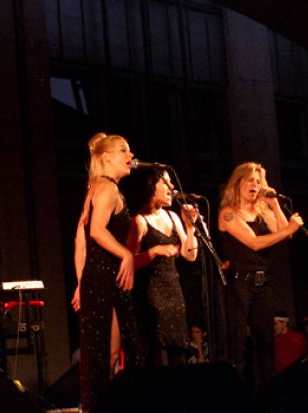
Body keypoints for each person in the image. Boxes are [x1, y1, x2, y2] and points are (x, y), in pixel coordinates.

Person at [71, 132, 144, 413]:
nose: (130, 156)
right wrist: (125, 254)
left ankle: (106, 404)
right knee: (103, 353)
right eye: (124, 150)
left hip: (102, 279)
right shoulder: (107, 188)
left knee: (109, 351)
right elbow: (95, 232)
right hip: (103, 278)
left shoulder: (97, 188)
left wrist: (82, 282)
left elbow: (81, 241)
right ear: (106, 158)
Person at [218, 162, 303, 390]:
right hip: (239, 284)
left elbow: (284, 234)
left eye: (258, 181)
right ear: (238, 183)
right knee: (237, 345)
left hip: (262, 283)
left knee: (266, 345)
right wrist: (290, 228)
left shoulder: (262, 212)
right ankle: (235, 394)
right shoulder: (228, 213)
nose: (255, 185)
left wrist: (274, 205)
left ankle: (267, 395)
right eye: (250, 180)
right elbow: (255, 243)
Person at [127, 166, 198, 366]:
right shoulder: (140, 221)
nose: (172, 187)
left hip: (174, 293)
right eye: (166, 182)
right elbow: (129, 262)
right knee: (160, 355)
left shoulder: (172, 217)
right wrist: (154, 251)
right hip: (152, 294)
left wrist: (190, 229)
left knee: (178, 355)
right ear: (152, 186)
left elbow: (190, 255)